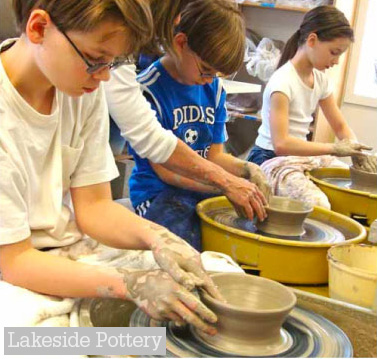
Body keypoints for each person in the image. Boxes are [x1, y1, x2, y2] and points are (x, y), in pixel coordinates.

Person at [0, 0, 225, 334]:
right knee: (42, 347)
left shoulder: (80, 88)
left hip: (63, 248)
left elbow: (94, 206)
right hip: (14, 265)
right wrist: (126, 284)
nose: (104, 76)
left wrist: (158, 238)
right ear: (38, 28)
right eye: (96, 61)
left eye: (113, 63)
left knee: (216, 273)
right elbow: (14, 261)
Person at [104, 0, 268, 222]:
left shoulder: (214, 89)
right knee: (191, 239)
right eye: (206, 70)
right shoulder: (149, 88)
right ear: (181, 43)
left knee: (244, 229)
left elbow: (215, 156)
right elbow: (165, 170)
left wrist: (248, 170)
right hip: (159, 194)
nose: (209, 80)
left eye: (216, 74)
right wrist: (222, 186)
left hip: (201, 188)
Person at [247, 5, 375, 172]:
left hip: (298, 156)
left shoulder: (320, 79)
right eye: (334, 52)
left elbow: (340, 127)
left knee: (347, 174)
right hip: (269, 156)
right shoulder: (282, 82)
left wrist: (357, 152)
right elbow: (281, 144)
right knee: (317, 199)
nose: (336, 61)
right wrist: (334, 149)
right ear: (312, 40)